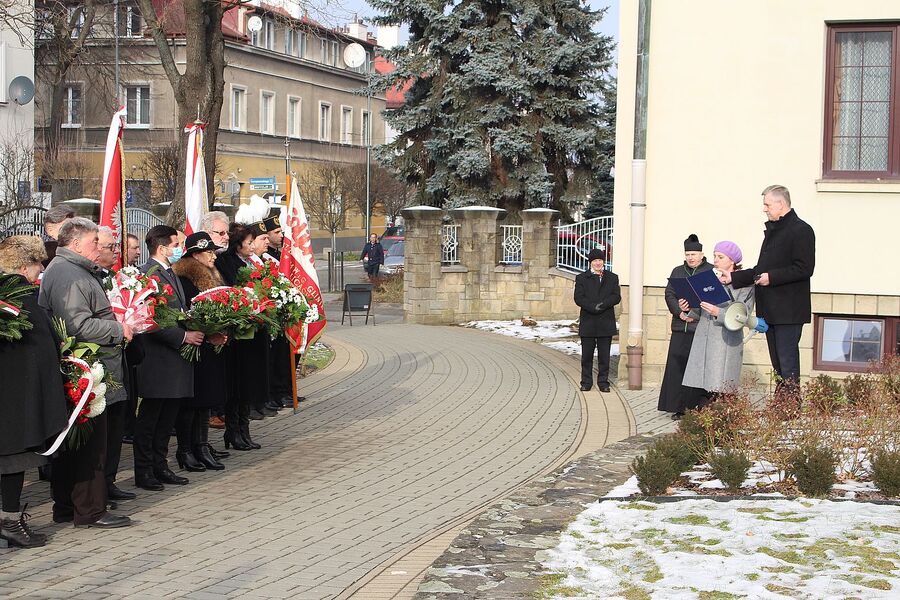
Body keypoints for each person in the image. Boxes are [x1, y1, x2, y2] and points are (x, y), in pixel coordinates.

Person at [39, 217, 133, 529]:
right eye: (95, 241)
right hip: (85, 367)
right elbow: (78, 324)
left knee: (77, 443)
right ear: (77, 243)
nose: (101, 247)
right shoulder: (71, 274)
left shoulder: (69, 269)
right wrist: (118, 328)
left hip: (84, 365)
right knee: (91, 443)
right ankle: (90, 510)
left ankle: (68, 506)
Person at [0, 237, 67, 548]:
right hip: (17, 398)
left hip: (9, 394)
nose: (41, 269)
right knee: (13, 461)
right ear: (24, 265)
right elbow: (45, 344)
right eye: (39, 263)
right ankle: (10, 521)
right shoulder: (22, 296)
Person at [723, 185, 815, 392]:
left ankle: (790, 405)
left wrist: (771, 277)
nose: (764, 209)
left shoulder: (801, 230)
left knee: (787, 360)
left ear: (781, 204)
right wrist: (733, 277)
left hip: (788, 310)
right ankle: (782, 404)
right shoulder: (774, 231)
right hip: (771, 309)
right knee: (777, 363)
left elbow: (804, 268)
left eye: (767, 204)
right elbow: (760, 270)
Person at [133, 225, 204, 491]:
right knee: (151, 419)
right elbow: (149, 318)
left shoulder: (168, 272)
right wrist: (183, 337)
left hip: (175, 360)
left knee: (167, 419)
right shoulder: (147, 274)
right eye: (176, 245)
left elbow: (179, 310)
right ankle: (144, 470)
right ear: (162, 248)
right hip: (157, 358)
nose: (180, 249)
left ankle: (160, 466)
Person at [172, 232, 230, 472]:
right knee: (192, 403)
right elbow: (187, 314)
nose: (213, 256)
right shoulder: (186, 278)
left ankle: (202, 445)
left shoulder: (214, 275)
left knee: (206, 401)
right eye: (209, 252)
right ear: (196, 254)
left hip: (210, 347)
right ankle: (186, 450)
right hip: (193, 348)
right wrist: (207, 333)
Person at [93, 226, 136, 503]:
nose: (115, 251)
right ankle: (99, 487)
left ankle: (109, 480)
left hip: (120, 357)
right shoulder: (88, 278)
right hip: (99, 360)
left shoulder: (113, 276)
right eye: (110, 246)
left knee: (117, 425)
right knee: (103, 429)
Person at [215, 223, 266, 450]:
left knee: (247, 384)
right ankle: (233, 431)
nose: (252, 246)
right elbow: (231, 291)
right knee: (235, 385)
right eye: (249, 242)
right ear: (239, 243)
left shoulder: (253, 261)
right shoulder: (227, 262)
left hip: (253, 331)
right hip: (237, 335)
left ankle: (244, 430)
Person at [682, 241, 754, 402]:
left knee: (721, 385)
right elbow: (700, 307)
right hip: (704, 336)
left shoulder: (745, 285)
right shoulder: (709, 279)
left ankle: (723, 420)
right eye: (714, 256)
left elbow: (743, 316)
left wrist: (718, 312)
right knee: (701, 385)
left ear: (732, 261)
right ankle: (702, 420)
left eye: (720, 257)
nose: (715, 260)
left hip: (724, 340)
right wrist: (689, 309)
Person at [658, 234, 714, 418]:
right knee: (677, 368)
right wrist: (679, 311)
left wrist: (693, 311)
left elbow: (713, 298)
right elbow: (669, 294)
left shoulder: (710, 271)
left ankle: (698, 408)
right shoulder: (677, 271)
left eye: (694, 254)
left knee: (696, 369)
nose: (690, 257)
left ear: (701, 254)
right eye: (688, 254)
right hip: (680, 327)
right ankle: (678, 408)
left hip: (700, 328)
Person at [574, 248, 621, 393]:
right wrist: (592, 307)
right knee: (587, 355)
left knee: (604, 355)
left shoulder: (612, 277)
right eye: (595, 261)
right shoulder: (582, 278)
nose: (598, 263)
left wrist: (603, 305)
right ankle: (586, 382)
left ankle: (603, 382)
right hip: (588, 321)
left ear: (603, 262)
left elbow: (616, 296)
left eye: (600, 260)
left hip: (605, 321)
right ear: (590, 263)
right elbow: (578, 298)